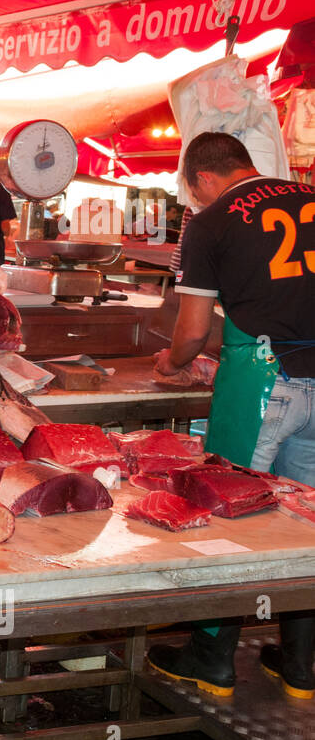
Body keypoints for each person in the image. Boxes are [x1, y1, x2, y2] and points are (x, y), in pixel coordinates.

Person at [148, 132, 314, 700]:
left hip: (266, 384)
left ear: (201, 179)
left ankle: (211, 658)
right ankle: (301, 666)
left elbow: (193, 330)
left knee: (227, 512)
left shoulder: (210, 221)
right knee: (304, 525)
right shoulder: (311, 195)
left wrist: (172, 363)